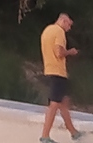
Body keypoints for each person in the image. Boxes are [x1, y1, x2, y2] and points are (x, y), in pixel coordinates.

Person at [38, 12, 82, 143]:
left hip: (49, 69)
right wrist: (70, 52)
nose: (69, 28)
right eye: (69, 24)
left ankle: (73, 132)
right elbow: (59, 52)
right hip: (58, 72)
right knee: (54, 104)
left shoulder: (47, 30)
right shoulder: (59, 32)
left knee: (64, 102)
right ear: (63, 21)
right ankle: (45, 136)